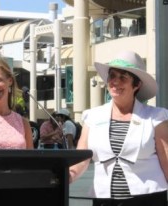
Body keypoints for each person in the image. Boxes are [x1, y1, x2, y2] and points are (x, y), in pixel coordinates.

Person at [69, 51, 168, 206]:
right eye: (112, 76)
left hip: (148, 199)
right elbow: (82, 158)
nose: (115, 82)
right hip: (104, 199)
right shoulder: (92, 117)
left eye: (123, 77)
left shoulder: (156, 117)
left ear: (137, 85)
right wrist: (68, 175)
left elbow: (166, 160)